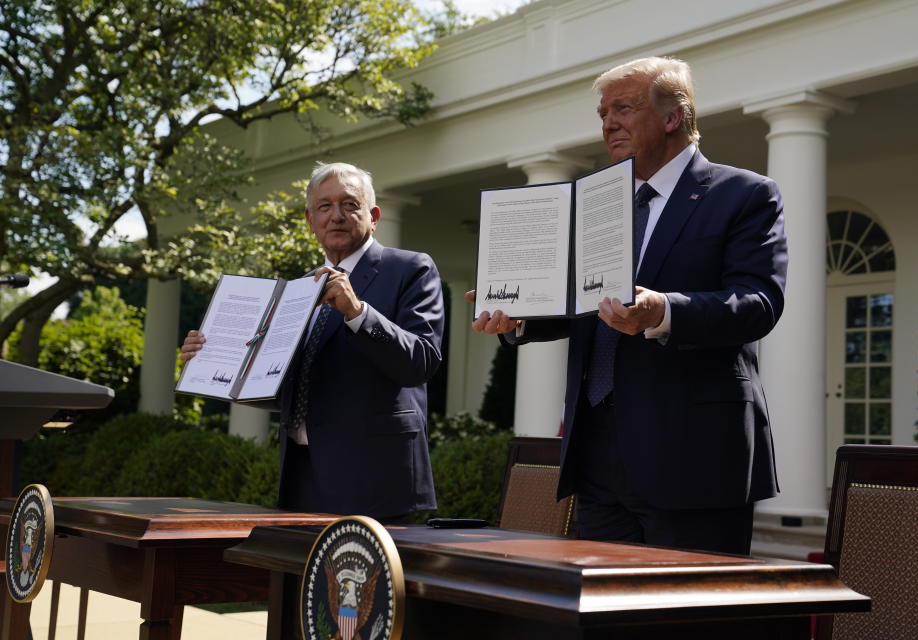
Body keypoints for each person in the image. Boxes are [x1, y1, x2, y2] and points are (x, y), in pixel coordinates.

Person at [470, 56, 787, 555]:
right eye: (602, 113)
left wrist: (664, 311)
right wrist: (520, 314)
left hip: (693, 457)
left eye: (623, 108)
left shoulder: (744, 194)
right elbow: (576, 301)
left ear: (672, 117)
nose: (608, 123)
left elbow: (758, 303)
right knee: (606, 622)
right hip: (597, 457)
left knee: (687, 617)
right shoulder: (591, 201)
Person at [180, 162, 444, 522]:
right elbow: (288, 389)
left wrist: (357, 312)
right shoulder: (298, 288)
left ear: (374, 215)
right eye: (324, 206)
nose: (336, 216)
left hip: (375, 482)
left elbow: (422, 363)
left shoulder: (411, 269)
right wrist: (213, 364)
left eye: (350, 204)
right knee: (297, 580)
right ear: (309, 218)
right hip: (302, 476)